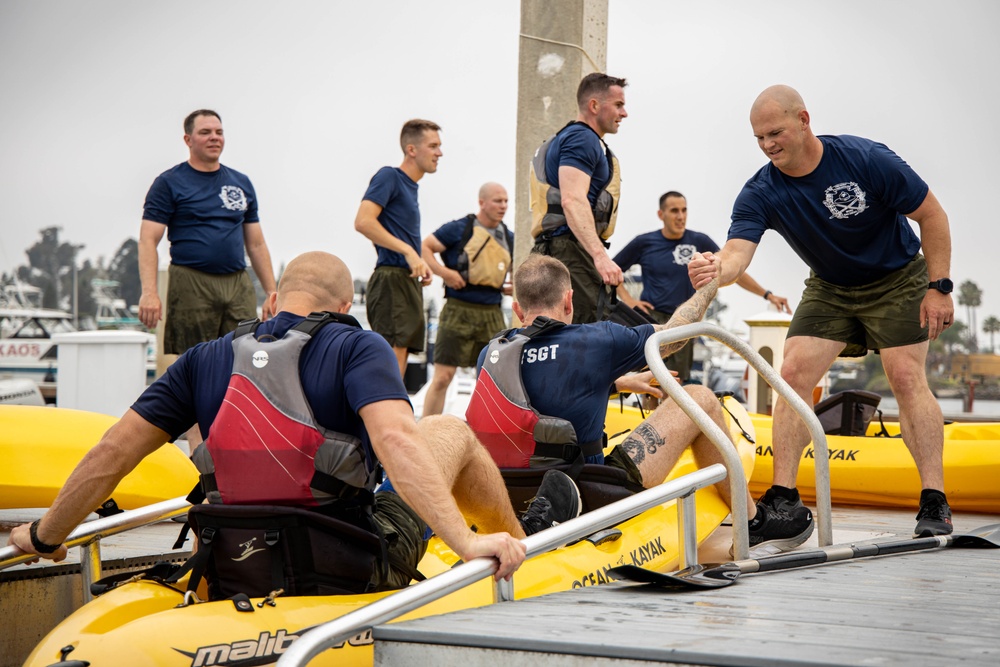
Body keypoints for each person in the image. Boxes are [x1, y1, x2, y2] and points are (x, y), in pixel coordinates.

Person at [6, 252, 582, 586]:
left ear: (272, 300)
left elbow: (113, 452)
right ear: (342, 307)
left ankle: (507, 536)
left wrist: (45, 533)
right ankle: (515, 544)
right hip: (340, 562)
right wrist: (461, 543)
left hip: (231, 562)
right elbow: (398, 444)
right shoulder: (358, 347)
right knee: (449, 431)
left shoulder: (206, 357)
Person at [689, 85, 955, 537]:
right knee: (790, 376)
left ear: (804, 120)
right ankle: (784, 503)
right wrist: (718, 267)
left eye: (774, 132)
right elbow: (737, 253)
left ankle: (934, 500)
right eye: (758, 138)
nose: (768, 144)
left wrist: (940, 288)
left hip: (897, 278)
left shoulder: (866, 159)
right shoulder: (761, 190)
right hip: (831, 287)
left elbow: (932, 215)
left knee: (906, 378)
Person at [468, 254, 814, 556]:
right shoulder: (597, 340)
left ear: (517, 309)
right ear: (569, 301)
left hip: (507, 490)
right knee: (700, 398)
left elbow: (535, 391)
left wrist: (617, 383)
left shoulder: (493, 352)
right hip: (583, 491)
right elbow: (678, 332)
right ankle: (753, 523)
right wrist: (710, 286)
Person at [614, 191, 792, 382]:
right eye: (674, 211)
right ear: (661, 215)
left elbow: (733, 269)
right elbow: (612, 270)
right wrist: (629, 300)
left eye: (684, 210)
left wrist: (767, 294)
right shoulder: (644, 242)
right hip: (652, 318)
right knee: (651, 377)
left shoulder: (699, 241)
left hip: (685, 321)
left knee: (677, 379)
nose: (680, 216)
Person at [138, 109, 277, 353]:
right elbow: (148, 240)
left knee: (246, 352)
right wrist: (149, 293)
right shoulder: (169, 182)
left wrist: (272, 291)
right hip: (192, 280)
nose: (214, 137)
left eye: (219, 132)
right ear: (188, 140)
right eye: (205, 132)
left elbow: (255, 244)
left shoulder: (240, 182)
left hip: (237, 282)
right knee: (196, 358)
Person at [529, 73, 627, 324]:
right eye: (618, 105)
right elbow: (572, 200)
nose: (624, 113)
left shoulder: (572, 138)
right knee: (583, 339)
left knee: (559, 337)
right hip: (571, 252)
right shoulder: (582, 138)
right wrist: (600, 256)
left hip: (558, 249)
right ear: (594, 106)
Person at [355, 119, 442, 377]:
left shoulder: (411, 187)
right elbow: (363, 221)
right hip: (390, 278)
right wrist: (408, 252)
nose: (440, 152)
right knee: (389, 363)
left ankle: (393, 417)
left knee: (400, 360)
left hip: (405, 279)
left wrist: (418, 263)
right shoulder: (390, 176)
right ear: (412, 149)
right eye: (433, 145)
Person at [420, 182, 514, 417]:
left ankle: (486, 432)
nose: (503, 206)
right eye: (497, 200)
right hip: (457, 308)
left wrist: (512, 288)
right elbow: (425, 247)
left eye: (505, 201)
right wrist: (446, 273)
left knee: (491, 380)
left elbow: (518, 269)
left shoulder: (509, 237)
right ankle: (429, 431)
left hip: (492, 311)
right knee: (442, 377)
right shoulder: (460, 228)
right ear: (482, 202)